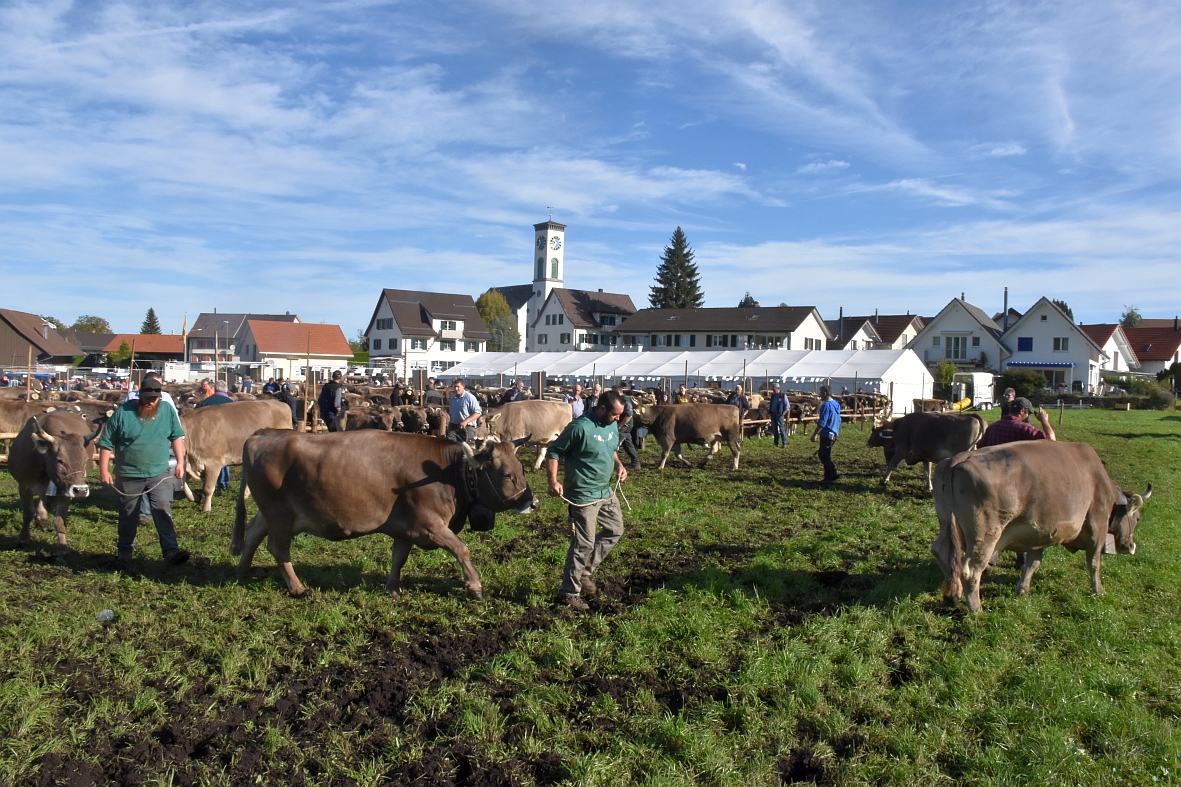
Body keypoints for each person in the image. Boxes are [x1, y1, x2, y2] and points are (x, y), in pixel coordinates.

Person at [546, 390, 629, 612]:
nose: (617, 419)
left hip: (606, 491)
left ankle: (584, 572)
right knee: (583, 543)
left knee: (615, 529)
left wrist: (620, 465)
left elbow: (609, 447)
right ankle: (568, 593)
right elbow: (553, 451)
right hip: (583, 495)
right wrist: (553, 481)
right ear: (602, 409)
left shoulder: (610, 424)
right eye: (614, 415)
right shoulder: (579, 428)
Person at [97, 376, 190, 565]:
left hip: (159, 472)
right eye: (147, 398)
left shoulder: (167, 411)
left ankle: (171, 550)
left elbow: (177, 436)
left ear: (159, 397)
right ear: (140, 396)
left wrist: (180, 462)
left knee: (162, 508)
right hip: (129, 473)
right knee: (129, 513)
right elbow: (106, 443)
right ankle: (125, 550)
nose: (150, 402)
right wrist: (103, 470)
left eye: (154, 399)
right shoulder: (123, 413)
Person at [197, 380, 234, 489]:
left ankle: (207, 482)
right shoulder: (232, 403)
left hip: (207, 435)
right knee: (224, 459)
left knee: (208, 460)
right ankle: (223, 483)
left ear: (215, 389)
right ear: (226, 389)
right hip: (226, 435)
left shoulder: (206, 402)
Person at [978, 397, 1056, 448]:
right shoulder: (1024, 428)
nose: (1028, 416)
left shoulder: (992, 427)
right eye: (1028, 413)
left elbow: (980, 446)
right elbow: (1051, 440)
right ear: (1022, 411)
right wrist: (1044, 421)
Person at [811, 385, 841, 484]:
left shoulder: (826, 405)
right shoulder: (836, 404)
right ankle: (833, 474)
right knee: (825, 454)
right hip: (834, 432)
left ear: (825, 393)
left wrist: (815, 434)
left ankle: (829, 477)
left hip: (827, 433)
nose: (819, 395)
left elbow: (822, 422)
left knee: (824, 455)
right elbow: (839, 419)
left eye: (820, 393)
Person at [613, 386, 640, 470]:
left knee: (615, 444)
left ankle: (611, 464)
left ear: (618, 393)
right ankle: (636, 463)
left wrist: (620, 425)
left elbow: (629, 415)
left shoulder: (625, 400)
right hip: (625, 425)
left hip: (625, 425)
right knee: (628, 444)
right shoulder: (622, 399)